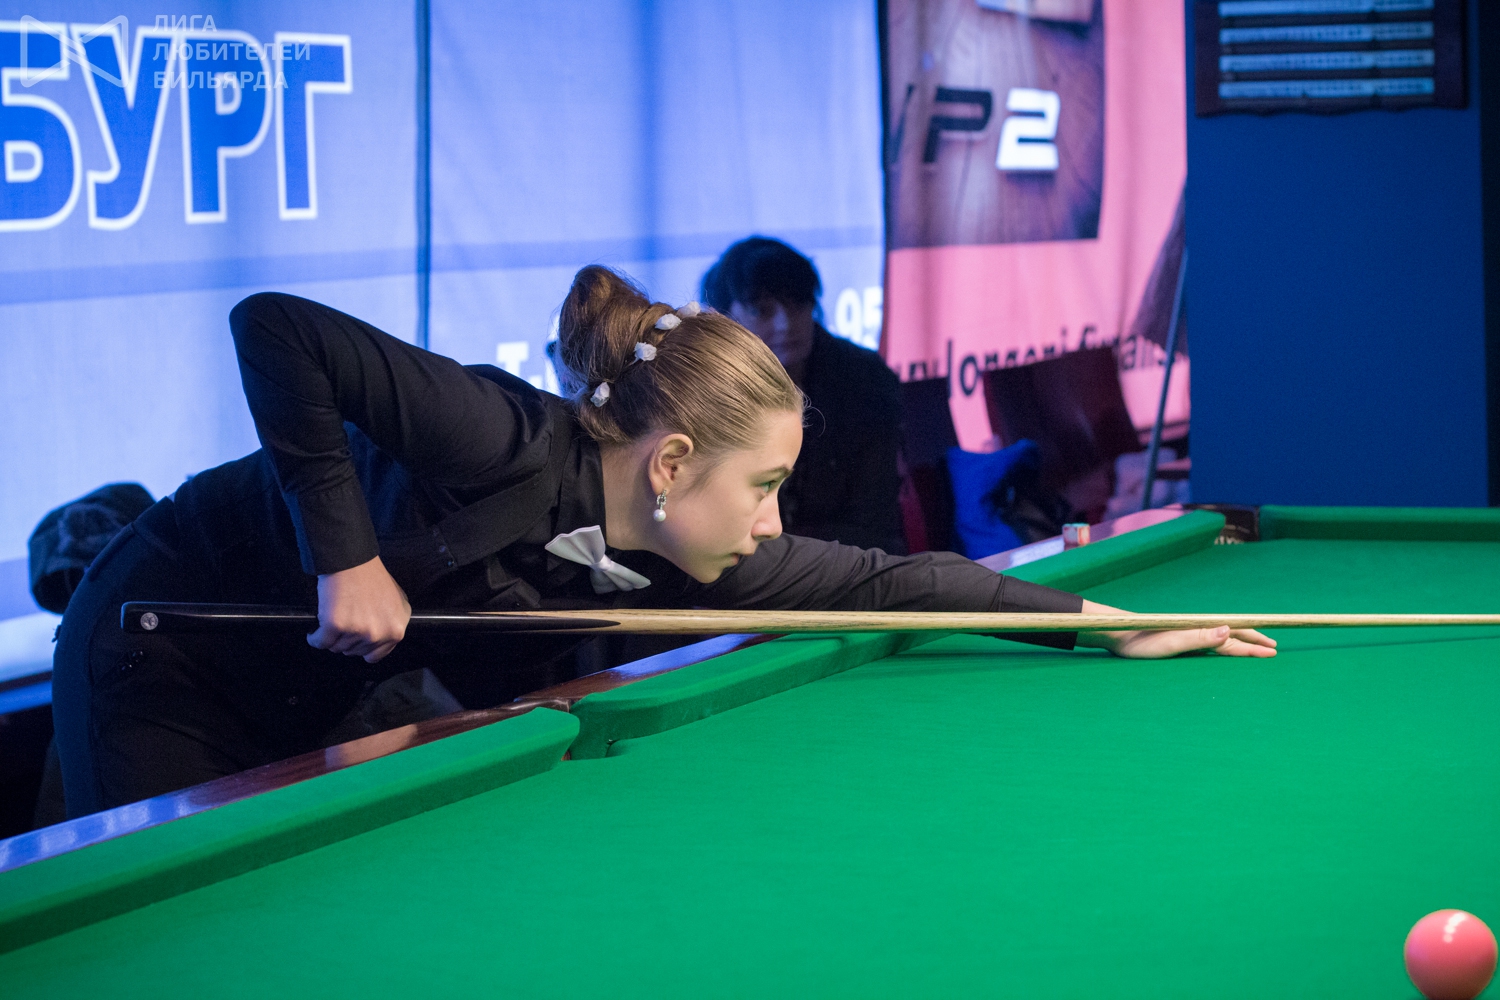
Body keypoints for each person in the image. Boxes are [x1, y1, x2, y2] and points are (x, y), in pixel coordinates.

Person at [51, 266, 1276, 818]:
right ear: (673, 463)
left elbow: (899, 576)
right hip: (163, 640)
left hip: (305, 681)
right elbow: (276, 328)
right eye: (765, 486)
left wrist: (1108, 627)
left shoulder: (699, 548)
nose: (775, 523)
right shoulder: (498, 433)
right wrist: (344, 555)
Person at [701, 237, 905, 553]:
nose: (785, 324)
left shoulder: (865, 380)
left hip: (853, 559)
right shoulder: (706, 390)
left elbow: (876, 518)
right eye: (762, 311)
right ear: (726, 318)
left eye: (797, 304)